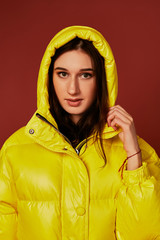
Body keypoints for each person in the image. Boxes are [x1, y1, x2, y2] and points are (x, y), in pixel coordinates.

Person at [0, 25, 160, 240]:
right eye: (63, 74)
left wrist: (133, 155)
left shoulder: (139, 154)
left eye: (85, 75)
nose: (73, 89)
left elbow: (143, 235)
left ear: (102, 80)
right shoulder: (15, 150)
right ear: (48, 78)